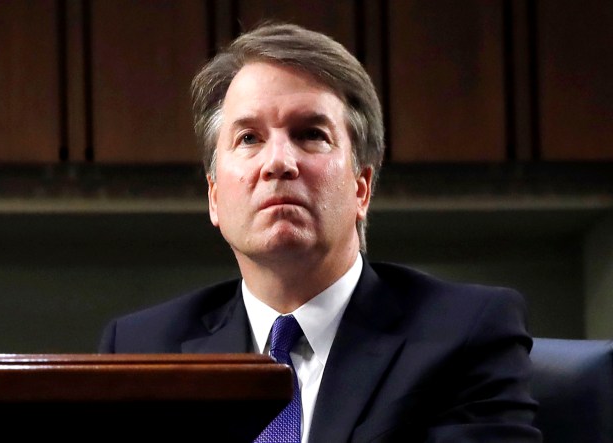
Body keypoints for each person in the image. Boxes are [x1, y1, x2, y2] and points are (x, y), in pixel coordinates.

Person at [99, 21, 541, 442]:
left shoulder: (465, 333)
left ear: (361, 188)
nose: (278, 163)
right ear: (214, 197)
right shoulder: (141, 350)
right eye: (249, 138)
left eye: (310, 134)